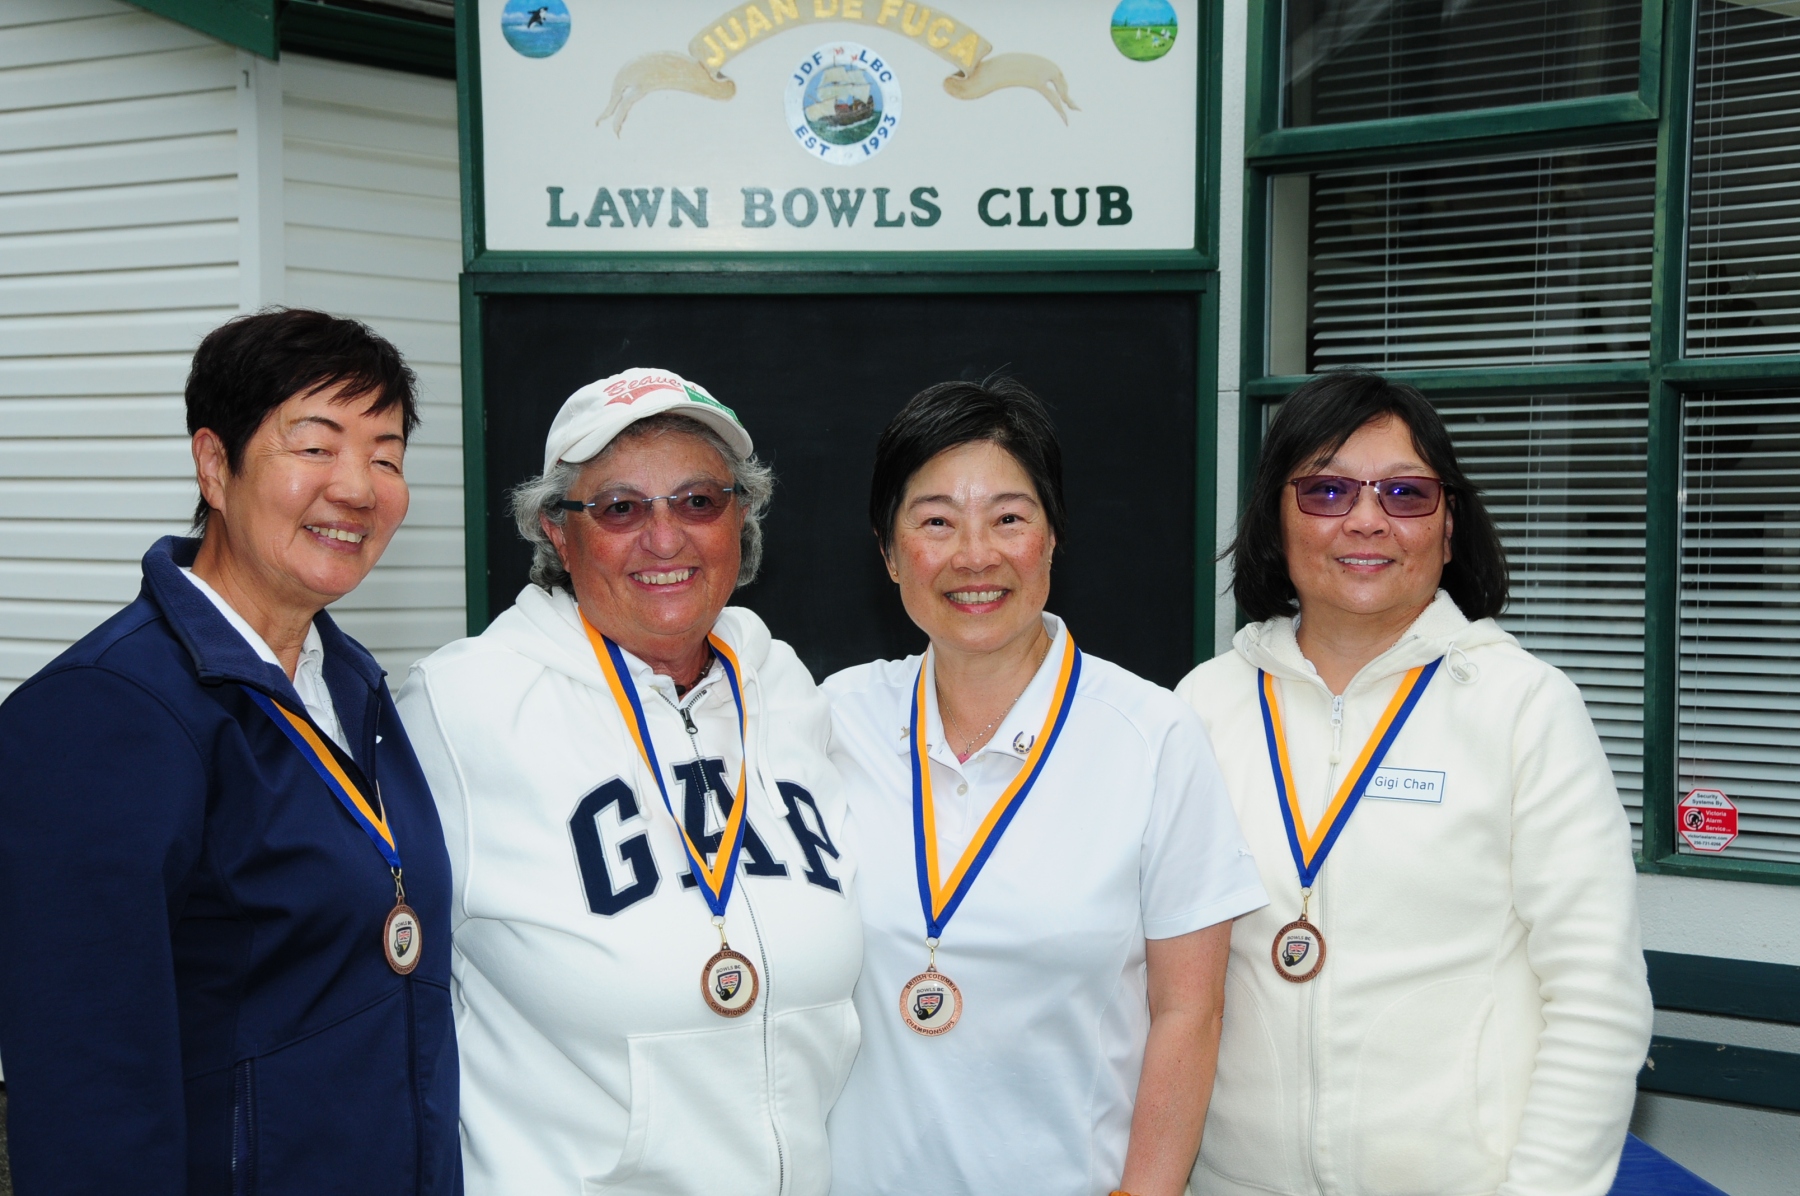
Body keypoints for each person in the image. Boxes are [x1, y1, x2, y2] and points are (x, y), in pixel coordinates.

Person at [0, 309, 459, 1194]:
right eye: (316, 446)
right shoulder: (107, 711)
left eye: (387, 456)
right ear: (215, 465)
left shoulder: (349, 687)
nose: (358, 488)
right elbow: (86, 1084)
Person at [1176, 371, 1654, 1196]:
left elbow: (1596, 998)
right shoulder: (1202, 706)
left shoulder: (1523, 707)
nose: (1367, 519)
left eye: (1405, 493)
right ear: (1274, 520)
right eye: (1327, 490)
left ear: (1448, 525)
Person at [396, 368, 862, 1196]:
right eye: (619, 508)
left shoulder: (785, 688)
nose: (665, 538)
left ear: (741, 516)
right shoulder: (460, 707)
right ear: (557, 531)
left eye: (698, 501)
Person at [824, 377, 1268, 1196]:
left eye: (1009, 518)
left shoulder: (1152, 736)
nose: (975, 556)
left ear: (1054, 536)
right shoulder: (831, 722)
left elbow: (1190, 1011)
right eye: (935, 522)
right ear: (888, 552)